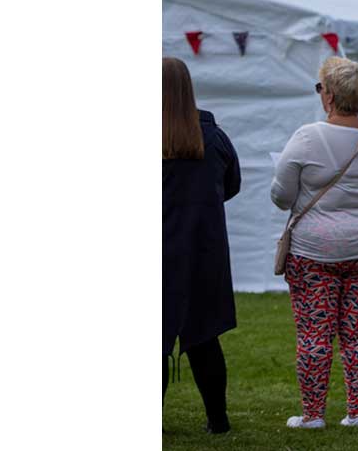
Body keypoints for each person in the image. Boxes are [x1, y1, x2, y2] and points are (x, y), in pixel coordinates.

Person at [271, 56, 358, 430]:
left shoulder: (307, 137)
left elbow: (281, 195)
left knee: (315, 333)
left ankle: (312, 414)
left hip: (315, 251)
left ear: (328, 95)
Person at [162, 57, 241, 433]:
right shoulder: (215, 138)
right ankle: (218, 420)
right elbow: (231, 185)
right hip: (202, 249)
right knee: (203, 338)